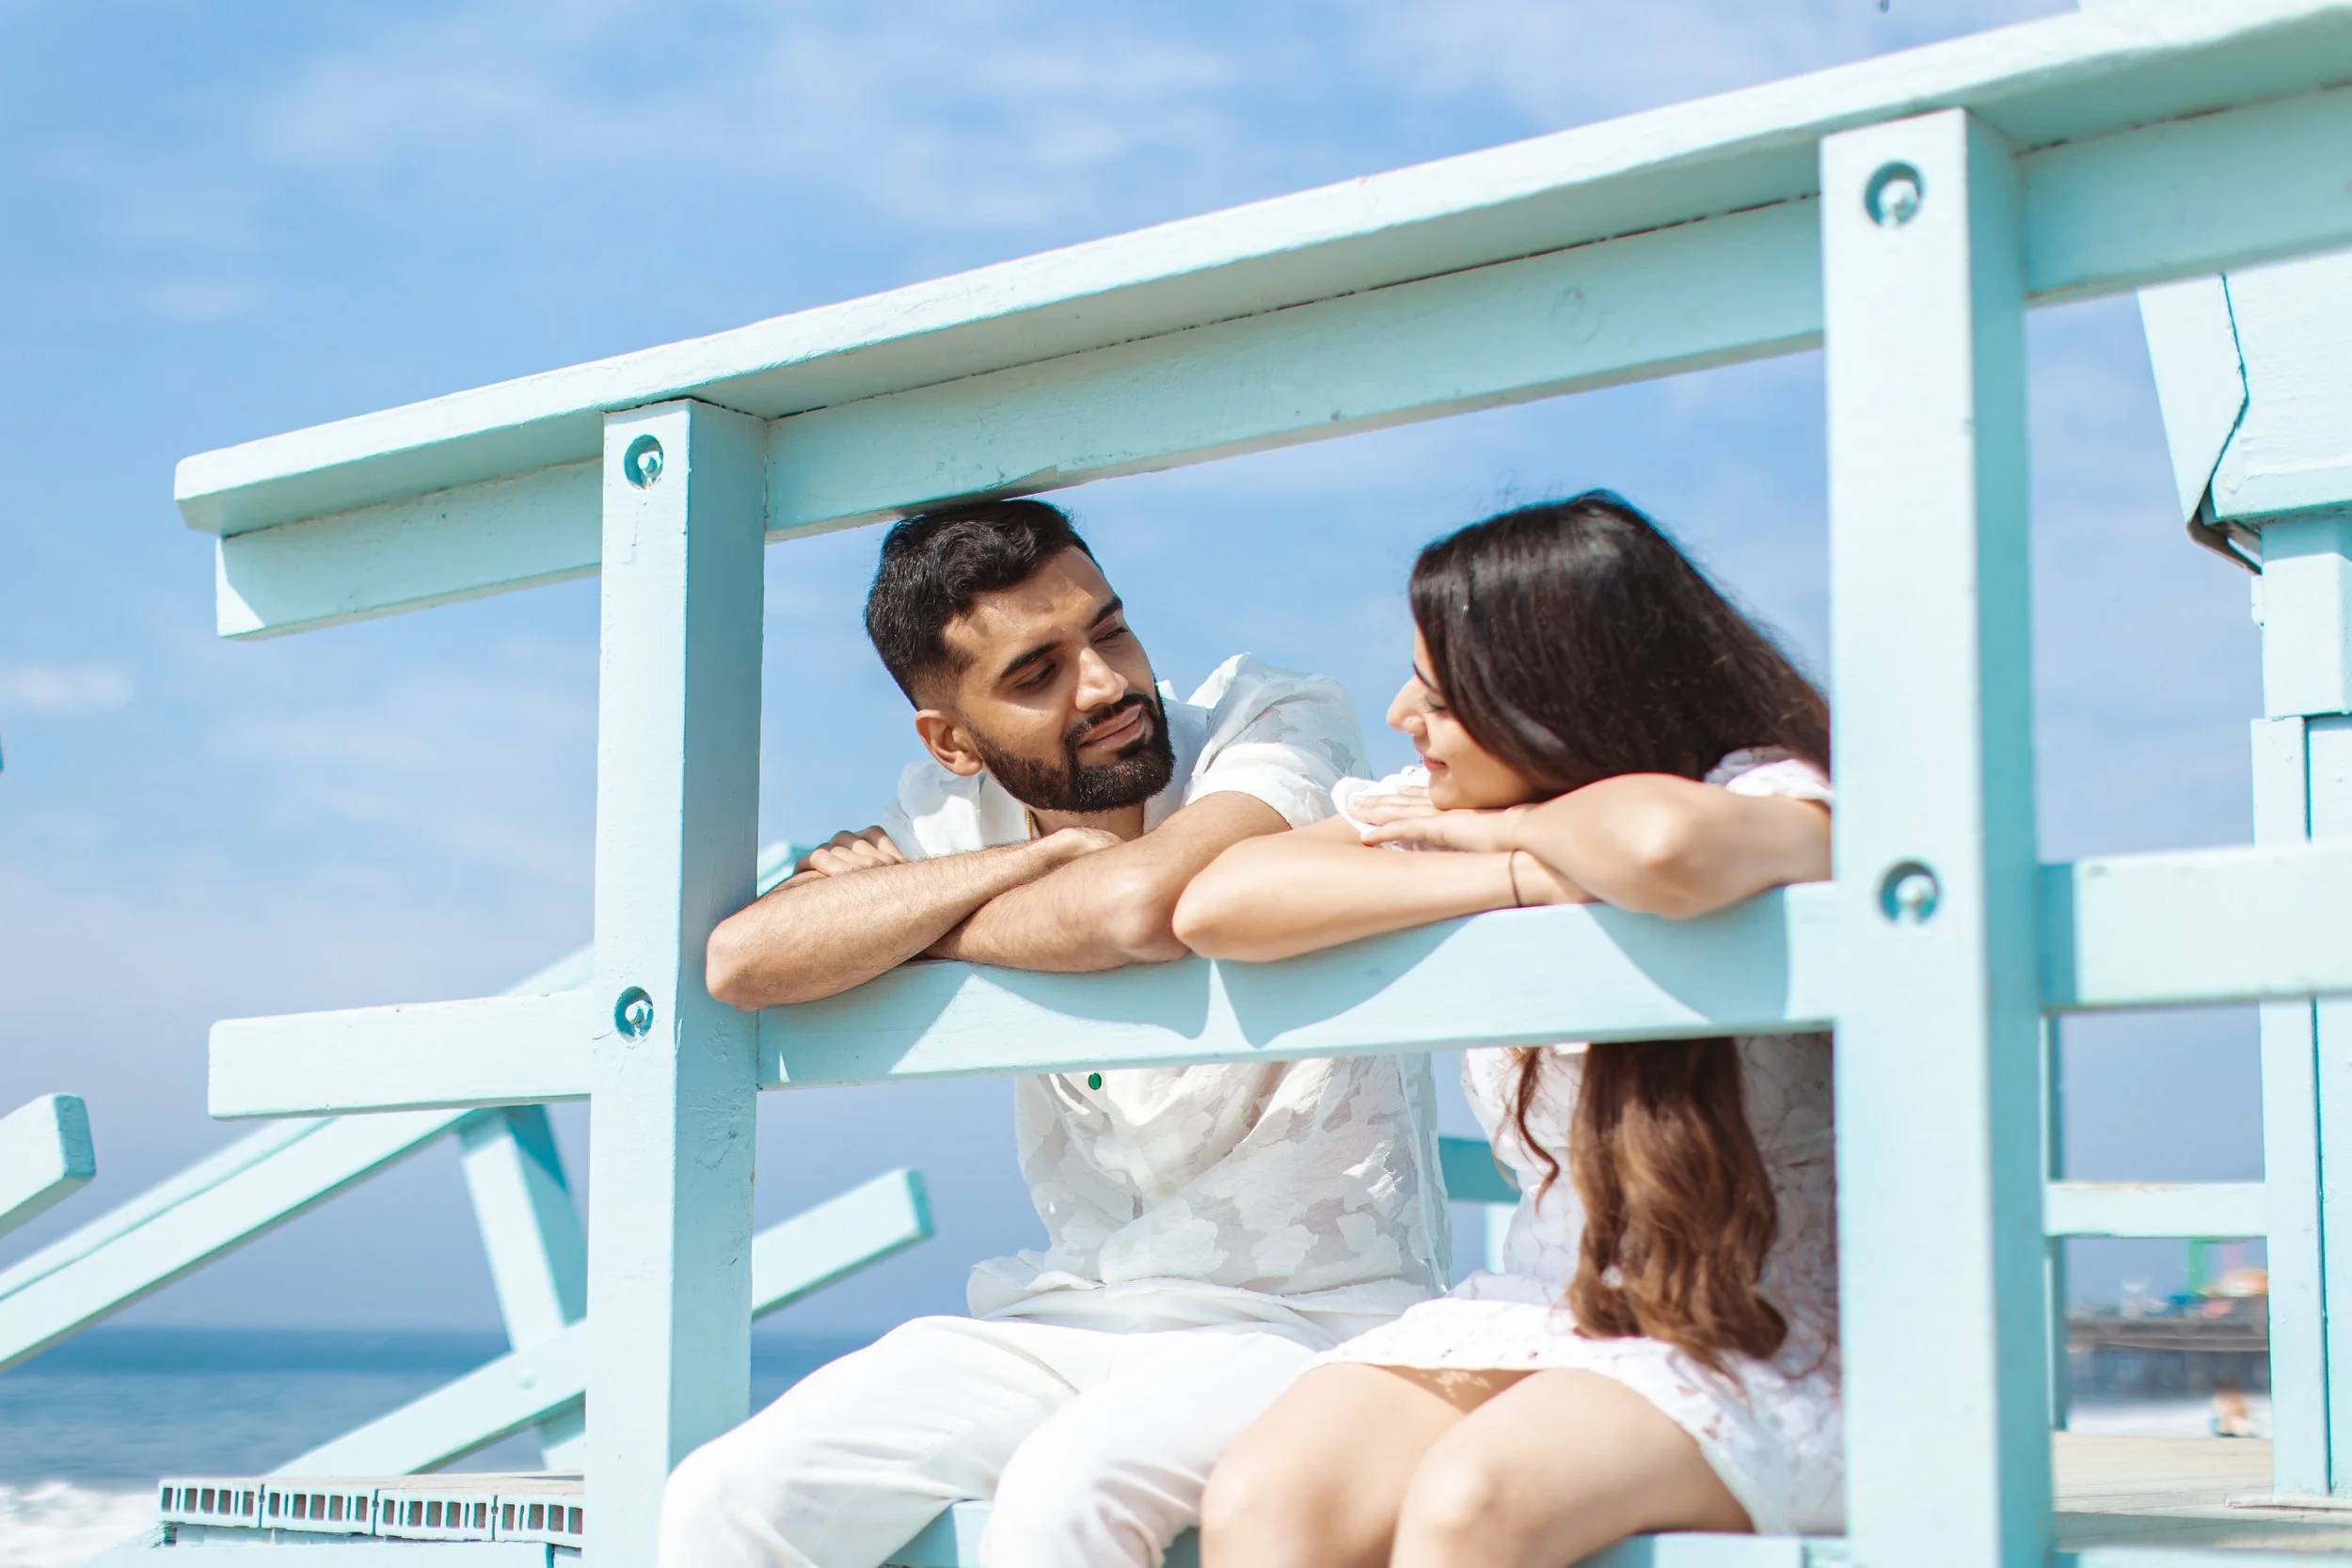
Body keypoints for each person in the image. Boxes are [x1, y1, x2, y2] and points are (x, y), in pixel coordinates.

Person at [662, 499, 1448, 1568]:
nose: (1108, 684)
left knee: (1063, 1493)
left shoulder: (1269, 717)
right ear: (951, 742)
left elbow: (1140, 910)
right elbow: (746, 958)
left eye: (1110, 630)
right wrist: (1034, 865)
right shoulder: (961, 819)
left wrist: (920, 919)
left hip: (1313, 1318)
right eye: (1036, 673)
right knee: (725, 1495)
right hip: (1069, 1312)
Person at [1175, 492, 1840, 1568]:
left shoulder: (1760, 790)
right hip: (1548, 1299)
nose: (1400, 713)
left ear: (1551, 700)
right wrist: (1516, 873)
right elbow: (1222, 901)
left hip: (1764, 1324)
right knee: (1264, 1499)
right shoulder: (1453, 816)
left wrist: (1503, 830)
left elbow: (1661, 846)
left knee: (1469, 1500)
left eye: (1441, 695)